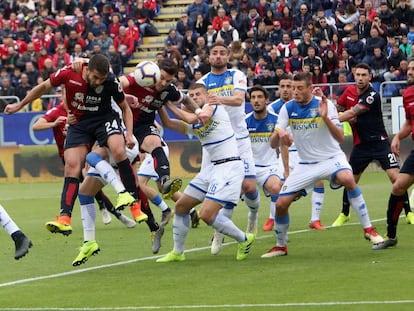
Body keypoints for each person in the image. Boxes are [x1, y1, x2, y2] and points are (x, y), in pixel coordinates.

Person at [4, 54, 142, 235]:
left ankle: (134, 204)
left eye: (102, 78)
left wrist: (129, 134)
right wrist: (19, 105)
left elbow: (125, 107)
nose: (99, 81)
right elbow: (43, 87)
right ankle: (64, 218)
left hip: (104, 119)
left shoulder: (109, 80)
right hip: (80, 123)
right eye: (95, 77)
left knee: (118, 150)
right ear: (86, 70)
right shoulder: (69, 72)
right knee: (72, 166)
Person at [267, 72, 384, 257]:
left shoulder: (325, 104)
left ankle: (369, 229)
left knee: (348, 178)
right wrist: (279, 134)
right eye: (292, 88)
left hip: (331, 158)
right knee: (281, 204)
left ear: (309, 88)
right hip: (305, 164)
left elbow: (339, 137)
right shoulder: (287, 108)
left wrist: (326, 118)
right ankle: (281, 246)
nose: (294, 92)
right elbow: (273, 144)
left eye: (299, 88)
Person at [156, 83, 255, 263]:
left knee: (207, 215)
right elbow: (168, 123)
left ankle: (244, 239)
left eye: (197, 94)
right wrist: (159, 104)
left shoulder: (213, 106)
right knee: (181, 207)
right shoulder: (194, 123)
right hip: (211, 170)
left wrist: (168, 104)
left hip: (229, 167)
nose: (194, 97)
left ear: (206, 95)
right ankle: (178, 252)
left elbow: (199, 117)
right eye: (191, 95)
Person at [32, 98, 136, 228]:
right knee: (88, 189)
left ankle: (113, 209)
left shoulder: (85, 109)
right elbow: (35, 126)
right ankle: (110, 211)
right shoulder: (56, 111)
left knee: (87, 187)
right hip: (69, 156)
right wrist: (54, 124)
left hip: (87, 152)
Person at [332, 63, 414, 226]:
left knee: (396, 178)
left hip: (380, 143)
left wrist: (331, 119)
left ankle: (409, 213)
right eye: (358, 75)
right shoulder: (348, 92)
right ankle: (344, 213)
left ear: (370, 77)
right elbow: (339, 108)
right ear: (354, 76)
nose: (361, 78)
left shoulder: (373, 95)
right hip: (360, 146)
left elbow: (353, 112)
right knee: (350, 180)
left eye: (364, 75)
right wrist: (333, 110)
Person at [197, 42, 260, 255]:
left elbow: (238, 99)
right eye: (214, 53)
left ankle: (252, 216)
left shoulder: (236, 75)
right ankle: (219, 232)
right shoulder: (202, 82)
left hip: (239, 139)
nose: (218, 56)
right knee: (213, 190)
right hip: (215, 142)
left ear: (228, 56)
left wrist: (216, 99)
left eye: (222, 53)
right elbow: (198, 109)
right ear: (208, 57)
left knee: (250, 187)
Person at [118, 59, 201, 201]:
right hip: (118, 124)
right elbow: (117, 84)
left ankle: (165, 180)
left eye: (168, 81)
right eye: (161, 78)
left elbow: (186, 100)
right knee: (91, 179)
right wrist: (124, 95)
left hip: (143, 127)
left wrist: (199, 111)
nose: (163, 83)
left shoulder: (168, 91)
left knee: (156, 143)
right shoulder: (138, 77)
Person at [265, 74, 326, 232]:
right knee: (278, 186)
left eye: (289, 86)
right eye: (283, 86)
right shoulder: (273, 108)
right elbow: (275, 136)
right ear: (279, 89)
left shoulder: (308, 104)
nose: (287, 90)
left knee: (319, 181)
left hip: (306, 152)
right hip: (287, 152)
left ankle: (315, 219)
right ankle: (272, 217)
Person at [374, 57, 414, 250]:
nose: (410, 72)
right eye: (409, 69)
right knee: (398, 186)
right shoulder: (407, 94)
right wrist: (398, 137)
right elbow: (409, 122)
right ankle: (390, 236)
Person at [246, 85, 283, 232]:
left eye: (260, 97)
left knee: (276, 188)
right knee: (230, 194)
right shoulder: (245, 121)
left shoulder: (277, 120)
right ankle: (220, 231)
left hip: (269, 166)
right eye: (253, 97)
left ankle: (274, 222)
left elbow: (284, 145)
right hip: (250, 168)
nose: (256, 100)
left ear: (267, 100)